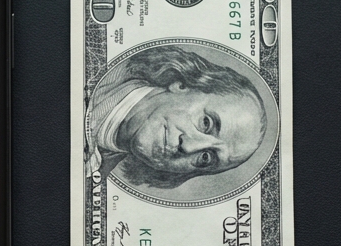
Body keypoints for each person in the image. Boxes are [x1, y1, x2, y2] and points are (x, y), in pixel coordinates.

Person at [86, 45, 267, 191]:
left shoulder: (90, 184)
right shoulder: (91, 66)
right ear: (181, 85)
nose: (188, 147)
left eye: (206, 158)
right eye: (206, 123)